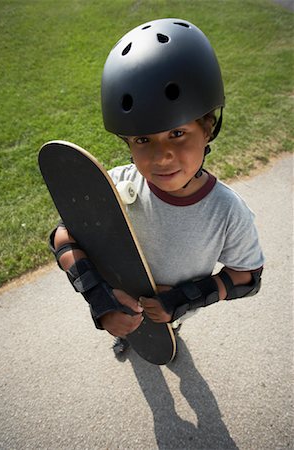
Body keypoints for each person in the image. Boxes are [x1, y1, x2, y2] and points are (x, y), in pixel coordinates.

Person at [50, 18, 264, 356]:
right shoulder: (116, 183)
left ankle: (171, 328)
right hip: (119, 295)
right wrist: (100, 299)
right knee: (126, 323)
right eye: (142, 139)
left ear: (207, 129)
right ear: (127, 141)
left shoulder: (227, 213)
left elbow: (248, 276)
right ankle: (125, 333)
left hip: (172, 310)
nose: (161, 156)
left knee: (166, 327)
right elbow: (63, 237)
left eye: (177, 133)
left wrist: (181, 300)